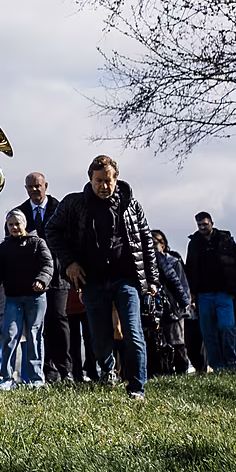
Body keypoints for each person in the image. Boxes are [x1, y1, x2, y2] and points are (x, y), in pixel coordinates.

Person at [46, 155, 158, 400]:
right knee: (99, 340)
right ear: (90, 180)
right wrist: (70, 263)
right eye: (98, 181)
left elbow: (146, 242)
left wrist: (152, 281)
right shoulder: (73, 204)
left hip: (126, 278)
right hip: (92, 280)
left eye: (108, 181)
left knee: (133, 331)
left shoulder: (132, 204)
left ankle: (137, 389)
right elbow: (51, 230)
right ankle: (108, 372)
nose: (103, 186)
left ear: (115, 179)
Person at [18, 172, 73, 384]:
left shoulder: (60, 209)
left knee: (58, 320)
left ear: (46, 186)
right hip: (33, 278)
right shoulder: (20, 213)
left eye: (37, 186)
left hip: (58, 276)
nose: (34, 190)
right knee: (38, 324)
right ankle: (47, 372)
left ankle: (65, 369)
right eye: (30, 186)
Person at [0, 210, 53, 388]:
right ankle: (7, 378)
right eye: (10, 224)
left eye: (17, 224)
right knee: (9, 335)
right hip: (13, 298)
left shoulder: (37, 243)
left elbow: (48, 265)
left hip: (35, 297)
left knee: (34, 336)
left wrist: (41, 280)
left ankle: (36, 379)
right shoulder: (4, 248)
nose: (14, 227)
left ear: (24, 224)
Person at [185, 212, 236, 370]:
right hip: (204, 294)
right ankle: (217, 366)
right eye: (199, 225)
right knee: (208, 332)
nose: (203, 227)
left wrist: (235, 287)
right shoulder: (194, 243)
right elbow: (190, 267)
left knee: (227, 327)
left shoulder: (225, 240)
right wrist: (192, 293)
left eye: (205, 224)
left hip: (224, 292)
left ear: (211, 223)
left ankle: (230, 363)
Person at [149, 230, 192, 375]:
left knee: (177, 341)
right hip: (155, 308)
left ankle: (181, 371)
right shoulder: (147, 264)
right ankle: (162, 372)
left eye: (155, 244)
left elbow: (182, 284)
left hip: (174, 307)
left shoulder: (173, 262)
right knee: (158, 343)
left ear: (163, 244)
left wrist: (184, 306)